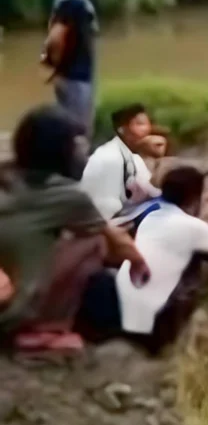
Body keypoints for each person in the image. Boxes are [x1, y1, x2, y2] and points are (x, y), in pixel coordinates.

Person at [78, 166, 208, 354]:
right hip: (157, 327)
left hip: (110, 316)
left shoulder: (141, 212)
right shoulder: (191, 227)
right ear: (194, 198)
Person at [0, 105, 148, 353]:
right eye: (76, 145)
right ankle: (47, 326)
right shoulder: (67, 196)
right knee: (92, 243)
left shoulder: (6, 175)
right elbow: (120, 245)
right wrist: (144, 267)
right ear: (60, 152)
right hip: (11, 315)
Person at [41, 0, 102, 137]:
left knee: (72, 127)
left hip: (76, 74)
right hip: (75, 76)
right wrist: (59, 68)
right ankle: (76, 164)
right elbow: (55, 37)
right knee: (78, 130)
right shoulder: (73, 0)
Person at [80, 103, 160, 220]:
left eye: (147, 124)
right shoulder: (110, 157)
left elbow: (151, 191)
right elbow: (107, 207)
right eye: (140, 124)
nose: (147, 129)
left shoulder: (132, 157)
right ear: (122, 129)